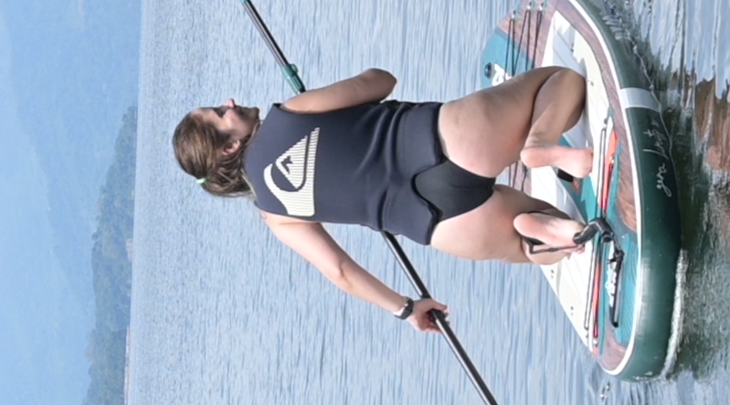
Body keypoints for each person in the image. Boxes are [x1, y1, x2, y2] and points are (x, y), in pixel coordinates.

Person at [171, 65, 597, 334]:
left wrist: (406, 308)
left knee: (528, 246)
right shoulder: (289, 113)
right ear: (227, 148)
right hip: (448, 139)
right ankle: (538, 143)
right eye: (219, 112)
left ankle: (546, 229)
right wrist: (320, 100)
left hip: (439, 222)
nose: (228, 103)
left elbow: (339, 271)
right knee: (560, 80)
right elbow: (379, 81)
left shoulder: (274, 214)